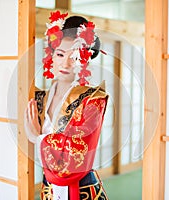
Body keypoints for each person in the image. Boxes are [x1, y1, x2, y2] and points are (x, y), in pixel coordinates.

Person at [24, 10, 109, 200]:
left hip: (83, 189)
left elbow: (77, 156)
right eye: (60, 54)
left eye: (76, 57)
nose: (66, 63)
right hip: (49, 188)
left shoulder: (93, 100)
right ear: (51, 56)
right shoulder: (38, 98)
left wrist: (37, 138)